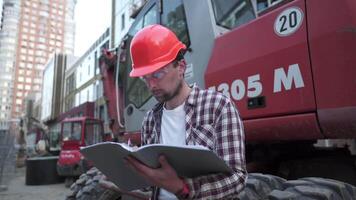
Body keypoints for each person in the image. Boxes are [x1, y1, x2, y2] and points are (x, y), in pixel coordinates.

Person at [125, 24, 247, 199]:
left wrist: (182, 188)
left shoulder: (218, 107)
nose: (151, 85)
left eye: (158, 74)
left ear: (181, 66)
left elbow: (237, 178)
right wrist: (137, 166)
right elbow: (153, 184)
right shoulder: (150, 120)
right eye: (146, 78)